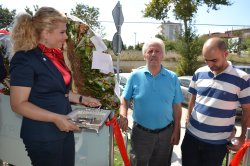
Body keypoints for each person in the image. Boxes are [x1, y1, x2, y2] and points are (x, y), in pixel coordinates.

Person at [9, 7, 101, 166]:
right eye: (62, 32)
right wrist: (56, 118)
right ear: (46, 33)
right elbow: (18, 105)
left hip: (63, 132)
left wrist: (82, 99)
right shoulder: (24, 59)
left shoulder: (53, 55)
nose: (65, 37)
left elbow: (60, 91)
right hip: (43, 136)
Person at [181, 37, 250, 166]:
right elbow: (193, 99)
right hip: (191, 139)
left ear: (226, 54)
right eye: (206, 60)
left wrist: (242, 137)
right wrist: (188, 121)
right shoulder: (199, 73)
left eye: (214, 60)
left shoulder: (242, 78)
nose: (210, 65)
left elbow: (248, 110)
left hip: (217, 145)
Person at [117, 38, 184, 166]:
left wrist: (176, 130)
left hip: (166, 134)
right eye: (150, 51)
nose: (153, 54)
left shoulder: (172, 77)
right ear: (144, 56)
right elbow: (124, 98)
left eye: (157, 51)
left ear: (162, 56)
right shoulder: (135, 76)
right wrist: (123, 116)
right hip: (141, 134)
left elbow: (177, 106)